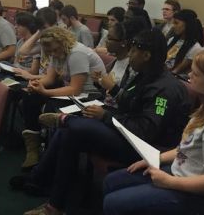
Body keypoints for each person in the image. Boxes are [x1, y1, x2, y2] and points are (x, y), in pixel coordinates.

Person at [18, 29, 190, 215]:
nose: (129, 55)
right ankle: (44, 186)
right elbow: (130, 104)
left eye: (132, 52)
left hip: (145, 148)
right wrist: (111, 100)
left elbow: (145, 131)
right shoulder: (145, 75)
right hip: (125, 132)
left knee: (74, 128)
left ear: (146, 55)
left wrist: (106, 116)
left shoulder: (165, 89)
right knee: (68, 132)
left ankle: (48, 187)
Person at [102, 48, 204, 215]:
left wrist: (169, 182)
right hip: (184, 173)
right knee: (111, 182)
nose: (189, 76)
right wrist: (156, 158)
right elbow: (187, 147)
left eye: (196, 74)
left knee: (114, 203)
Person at [19, 26, 106, 170]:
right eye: (50, 52)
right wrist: (37, 84)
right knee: (30, 96)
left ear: (63, 42)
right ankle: (33, 147)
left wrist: (45, 92)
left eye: (55, 50)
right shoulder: (56, 52)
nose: (54, 54)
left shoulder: (77, 53)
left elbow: (75, 89)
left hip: (89, 96)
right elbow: (50, 79)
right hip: (72, 94)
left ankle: (51, 156)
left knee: (50, 106)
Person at [166, 9, 204, 76]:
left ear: (187, 24)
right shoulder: (172, 39)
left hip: (175, 78)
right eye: (173, 23)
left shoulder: (195, 48)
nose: (173, 26)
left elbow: (176, 71)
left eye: (176, 23)